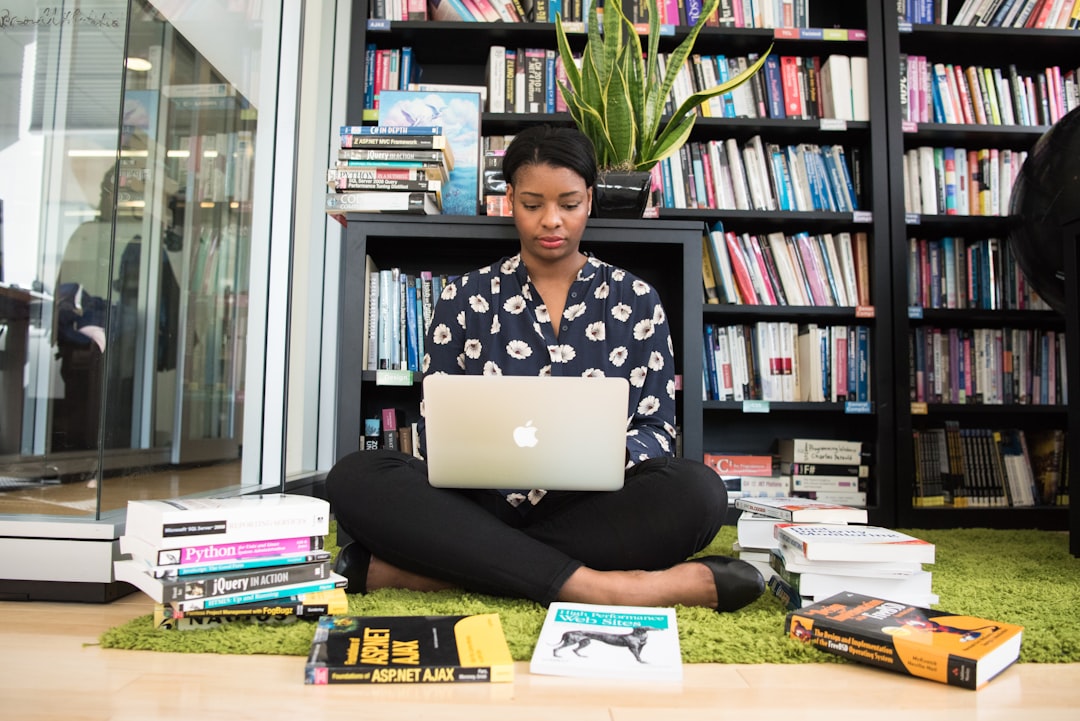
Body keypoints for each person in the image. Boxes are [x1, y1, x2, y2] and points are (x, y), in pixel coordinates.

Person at [326, 125, 764, 612]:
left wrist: (602, 454)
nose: (551, 221)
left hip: (590, 507)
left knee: (699, 492)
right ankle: (614, 588)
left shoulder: (637, 299)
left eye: (569, 204)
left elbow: (658, 429)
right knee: (356, 476)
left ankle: (443, 571)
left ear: (591, 200)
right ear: (508, 199)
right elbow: (438, 431)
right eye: (533, 204)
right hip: (477, 503)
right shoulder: (464, 296)